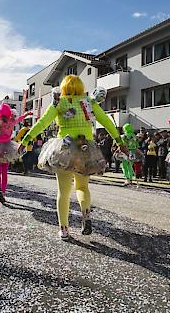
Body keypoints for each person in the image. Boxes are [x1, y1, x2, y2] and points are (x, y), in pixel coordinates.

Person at [19, 76, 127, 240]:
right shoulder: (89, 102)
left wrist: (26, 139)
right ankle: (86, 215)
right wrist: (119, 141)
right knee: (82, 188)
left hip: (65, 150)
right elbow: (107, 122)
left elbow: (42, 123)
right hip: (85, 149)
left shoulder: (59, 102)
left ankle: (64, 229)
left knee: (63, 191)